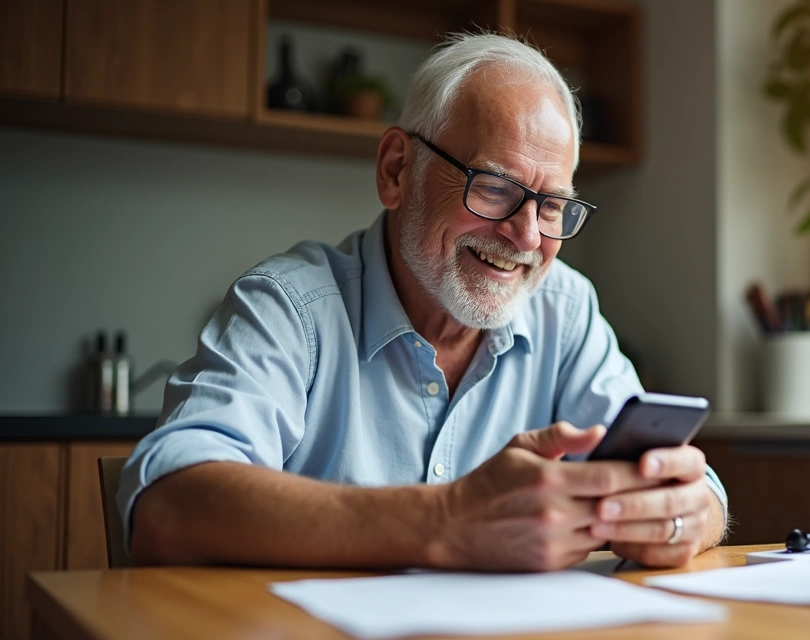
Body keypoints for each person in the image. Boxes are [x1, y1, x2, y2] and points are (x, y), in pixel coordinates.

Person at [118, 33, 728, 571]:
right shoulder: (289, 308)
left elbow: (696, 488)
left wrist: (677, 517)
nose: (526, 237)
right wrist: (446, 519)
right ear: (396, 170)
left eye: (552, 206)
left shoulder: (564, 310)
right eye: (494, 187)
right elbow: (166, 508)